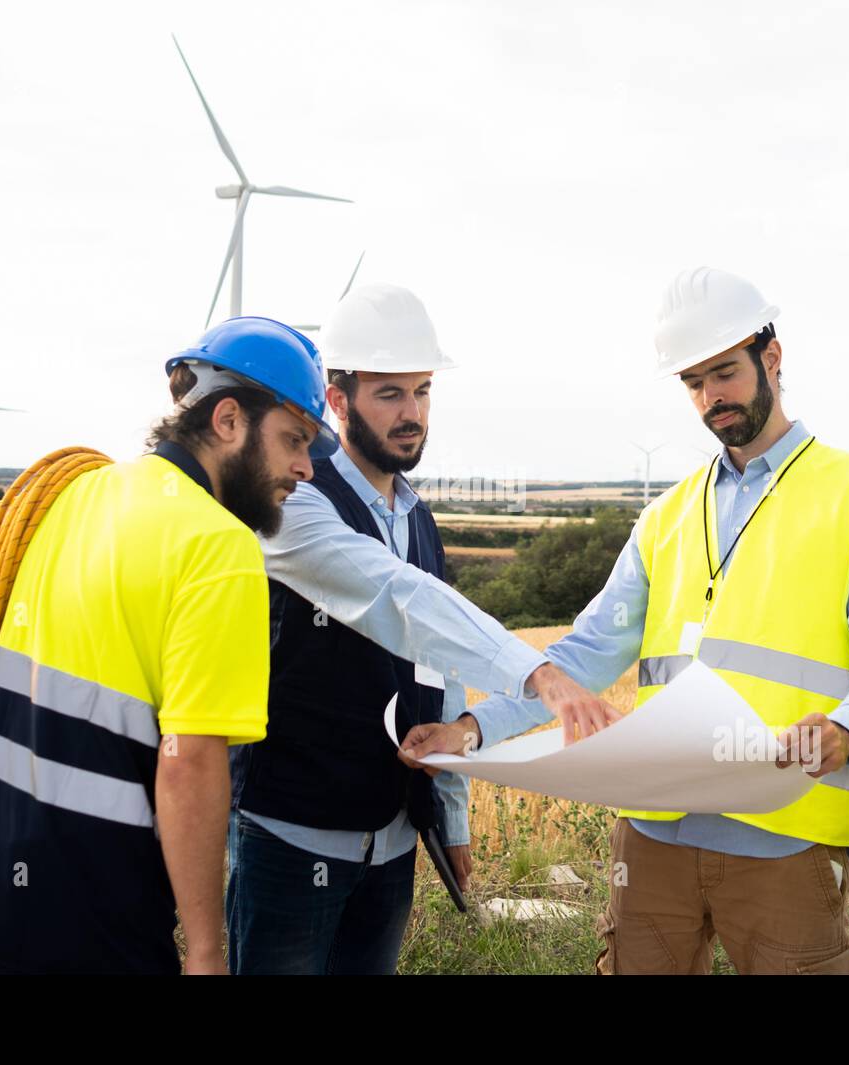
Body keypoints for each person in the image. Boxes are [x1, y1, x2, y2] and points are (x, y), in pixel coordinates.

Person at [403, 267, 849, 974]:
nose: (712, 396)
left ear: (772, 358)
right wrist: (471, 730)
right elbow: (582, 653)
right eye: (693, 381)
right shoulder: (666, 515)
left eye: (725, 372)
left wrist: (845, 730)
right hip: (654, 839)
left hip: (785, 840)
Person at [226, 282, 619, 975]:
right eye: (390, 394)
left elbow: (436, 672)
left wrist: (449, 817)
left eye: (423, 391)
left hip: (393, 844)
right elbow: (399, 596)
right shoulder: (294, 502)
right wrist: (540, 673)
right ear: (338, 399)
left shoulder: (417, 518)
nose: (413, 414)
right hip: (289, 839)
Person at [0, 317, 335, 975]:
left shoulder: (72, 493)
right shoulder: (219, 545)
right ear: (230, 420)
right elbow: (191, 763)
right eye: (295, 439)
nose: (306, 468)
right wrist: (207, 953)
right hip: (92, 926)